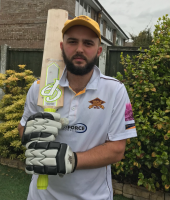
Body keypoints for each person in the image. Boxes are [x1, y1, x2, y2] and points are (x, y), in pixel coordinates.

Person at [18, 15, 137, 200]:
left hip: (94, 196)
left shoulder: (116, 90)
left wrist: (72, 160)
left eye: (88, 43)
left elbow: (117, 149)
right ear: (61, 46)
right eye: (72, 41)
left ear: (98, 51)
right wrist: (29, 133)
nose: (79, 49)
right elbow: (22, 128)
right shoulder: (40, 87)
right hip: (41, 195)